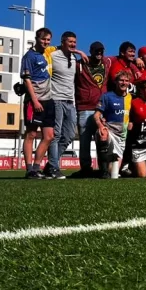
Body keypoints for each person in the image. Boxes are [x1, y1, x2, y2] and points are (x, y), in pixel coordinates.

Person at [42, 31, 84, 180]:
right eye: (70, 41)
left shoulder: (74, 58)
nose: (73, 44)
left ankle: (50, 165)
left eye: (74, 42)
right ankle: (54, 167)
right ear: (62, 42)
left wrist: (79, 53)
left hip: (70, 101)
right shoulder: (53, 55)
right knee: (56, 135)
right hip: (55, 99)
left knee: (70, 135)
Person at [19, 27, 56, 180]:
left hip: (48, 100)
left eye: (48, 40)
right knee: (31, 134)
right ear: (36, 39)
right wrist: (34, 101)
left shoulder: (44, 54)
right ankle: (29, 170)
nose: (46, 42)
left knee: (49, 136)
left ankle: (36, 167)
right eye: (43, 39)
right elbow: (26, 80)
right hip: (35, 101)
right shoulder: (29, 56)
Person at [72, 41, 106, 176]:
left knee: (102, 138)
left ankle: (103, 168)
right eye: (96, 51)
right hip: (85, 107)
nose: (99, 53)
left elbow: (123, 59)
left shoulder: (107, 63)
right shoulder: (79, 64)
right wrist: (78, 52)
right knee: (85, 140)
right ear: (90, 51)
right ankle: (86, 168)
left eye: (101, 51)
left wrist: (137, 60)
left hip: (101, 108)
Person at [93, 70, 132, 179]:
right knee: (102, 134)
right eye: (121, 80)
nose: (124, 83)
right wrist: (101, 126)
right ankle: (103, 172)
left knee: (114, 172)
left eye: (126, 81)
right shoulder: (107, 96)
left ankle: (108, 168)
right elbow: (96, 115)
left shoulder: (130, 98)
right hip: (109, 130)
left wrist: (131, 122)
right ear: (116, 82)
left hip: (122, 135)